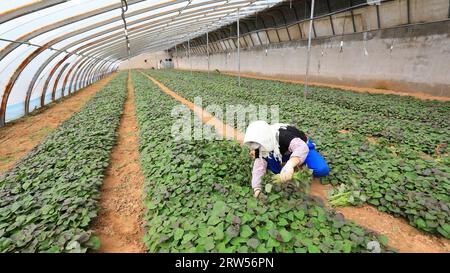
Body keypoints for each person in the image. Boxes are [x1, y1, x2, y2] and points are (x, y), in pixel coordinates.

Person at [243, 121, 330, 198]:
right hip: (283, 152)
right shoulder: (261, 145)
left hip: (303, 147)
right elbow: (258, 166)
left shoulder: (283, 134)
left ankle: (299, 162)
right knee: (271, 164)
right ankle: (285, 171)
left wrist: (290, 165)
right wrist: (256, 187)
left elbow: (301, 147)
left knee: (321, 169)